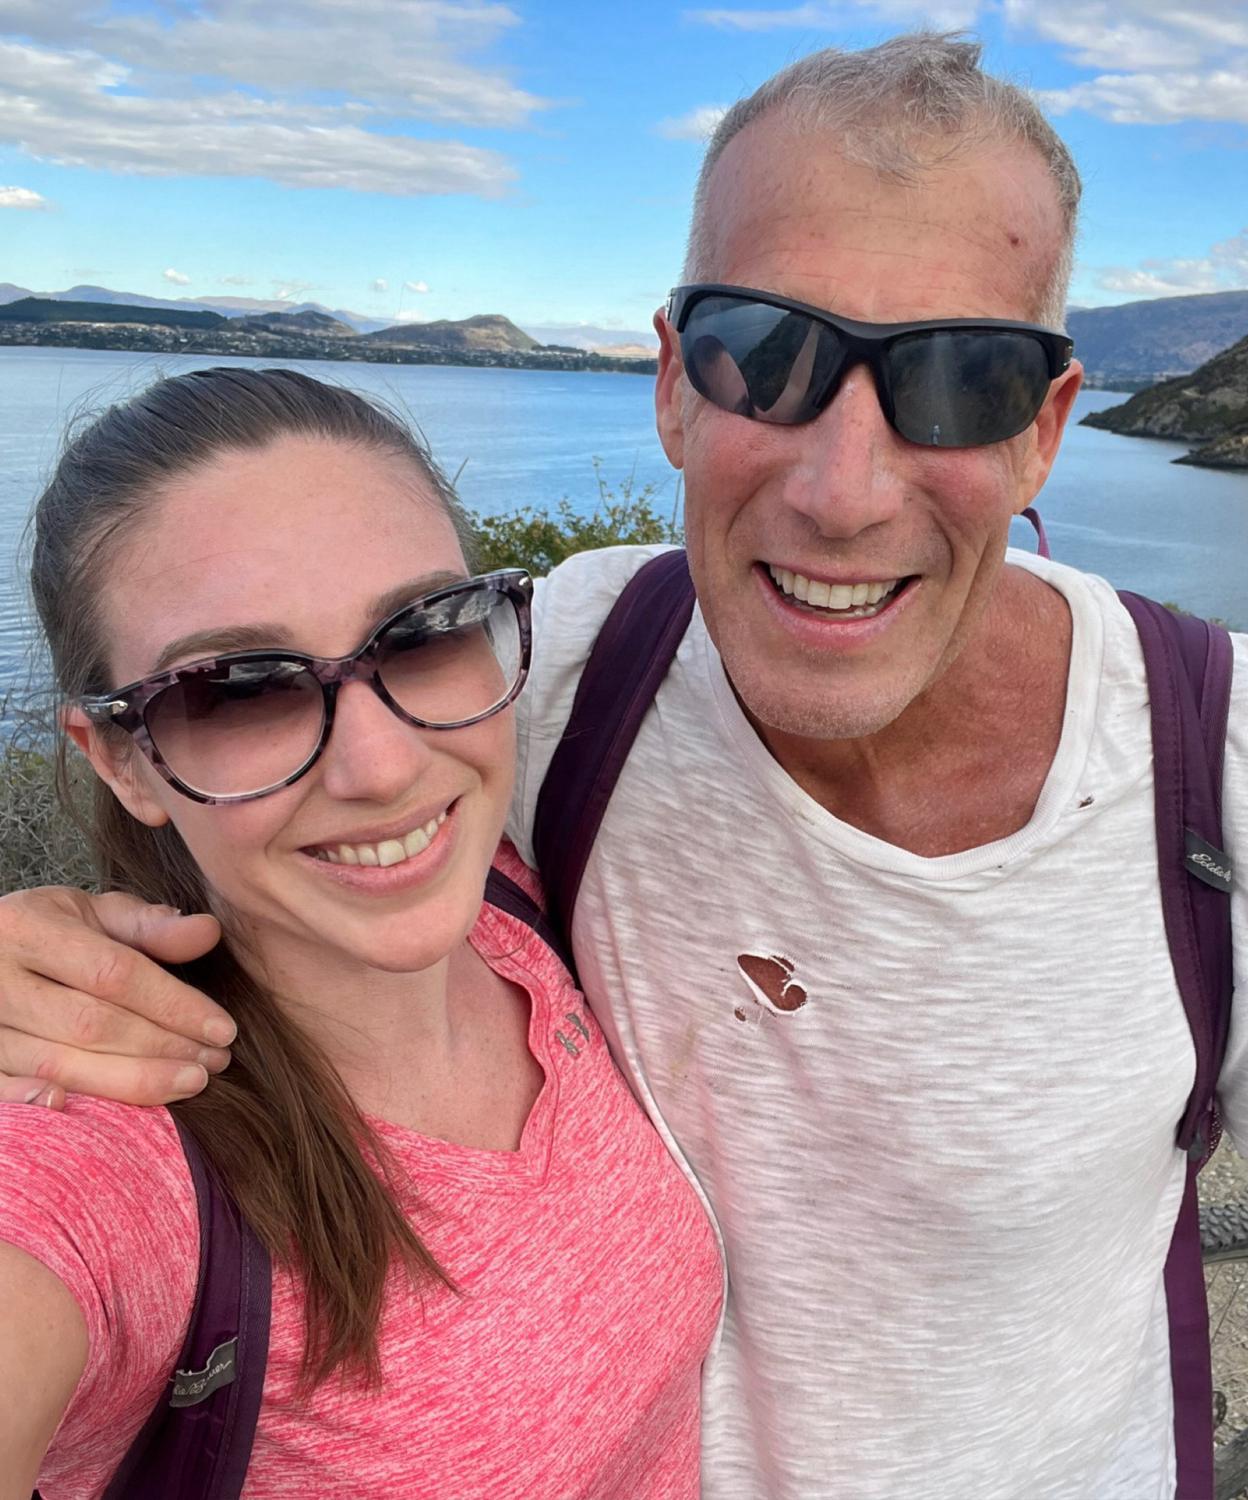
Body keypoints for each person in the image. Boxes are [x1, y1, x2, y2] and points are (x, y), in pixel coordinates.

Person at [0, 34, 1248, 1500]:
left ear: (1045, 432)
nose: (842, 490)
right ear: (674, 391)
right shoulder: (541, 670)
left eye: (959, 381)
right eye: (765, 357)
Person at [0, 368, 722, 1497]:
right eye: (238, 688)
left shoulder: (521, 908)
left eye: (423, 631)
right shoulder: (108, 1152)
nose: (384, 765)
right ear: (125, 760)